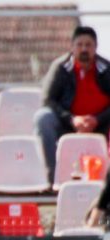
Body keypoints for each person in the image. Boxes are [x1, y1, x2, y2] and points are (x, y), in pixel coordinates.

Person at [34, 26, 110, 184]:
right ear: (72, 47)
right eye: (79, 44)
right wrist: (72, 119)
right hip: (68, 125)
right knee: (43, 118)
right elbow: (47, 100)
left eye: (88, 45)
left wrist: (97, 119)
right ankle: (53, 180)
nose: (84, 49)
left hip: (102, 125)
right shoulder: (60, 68)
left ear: (95, 47)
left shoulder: (106, 69)